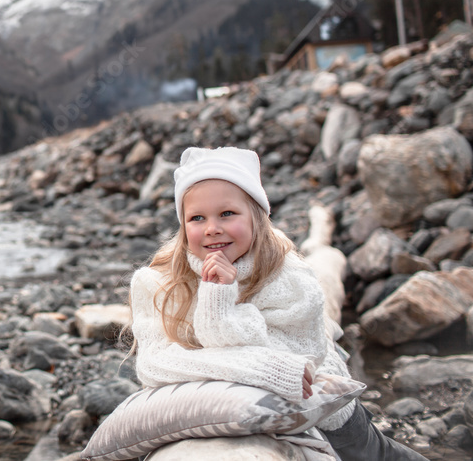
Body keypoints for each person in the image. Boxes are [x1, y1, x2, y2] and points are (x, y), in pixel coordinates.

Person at [126, 146, 427, 461]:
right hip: (234, 409)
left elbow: (303, 357)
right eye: (197, 218)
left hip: (323, 408)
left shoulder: (289, 274)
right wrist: (262, 367)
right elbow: (154, 364)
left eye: (227, 213)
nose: (212, 227)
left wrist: (220, 306)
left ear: (257, 216)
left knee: (373, 454)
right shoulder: (158, 283)